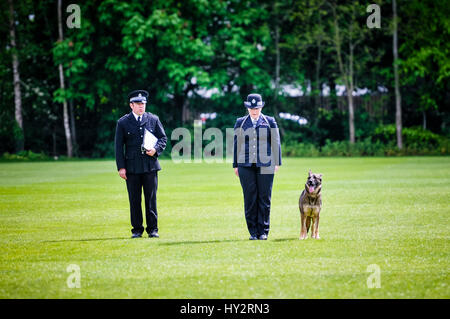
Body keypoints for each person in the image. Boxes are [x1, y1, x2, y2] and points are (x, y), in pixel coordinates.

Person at [115, 90, 167, 238]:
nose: (141, 107)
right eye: (138, 104)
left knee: (151, 199)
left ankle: (153, 229)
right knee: (134, 199)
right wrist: (121, 167)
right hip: (131, 167)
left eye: (143, 104)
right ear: (131, 105)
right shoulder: (123, 122)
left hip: (150, 165)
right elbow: (119, 147)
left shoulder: (153, 119)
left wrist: (156, 150)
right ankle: (137, 230)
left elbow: (163, 138)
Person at [233, 93, 282, 240]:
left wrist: (277, 162)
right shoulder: (240, 122)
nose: (254, 111)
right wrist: (235, 165)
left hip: (266, 163)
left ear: (261, 107)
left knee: (264, 198)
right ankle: (253, 232)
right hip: (245, 165)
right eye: (252, 108)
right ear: (247, 108)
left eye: (257, 108)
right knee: (250, 198)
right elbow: (236, 144)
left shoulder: (269, 121)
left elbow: (276, 142)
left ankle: (263, 231)